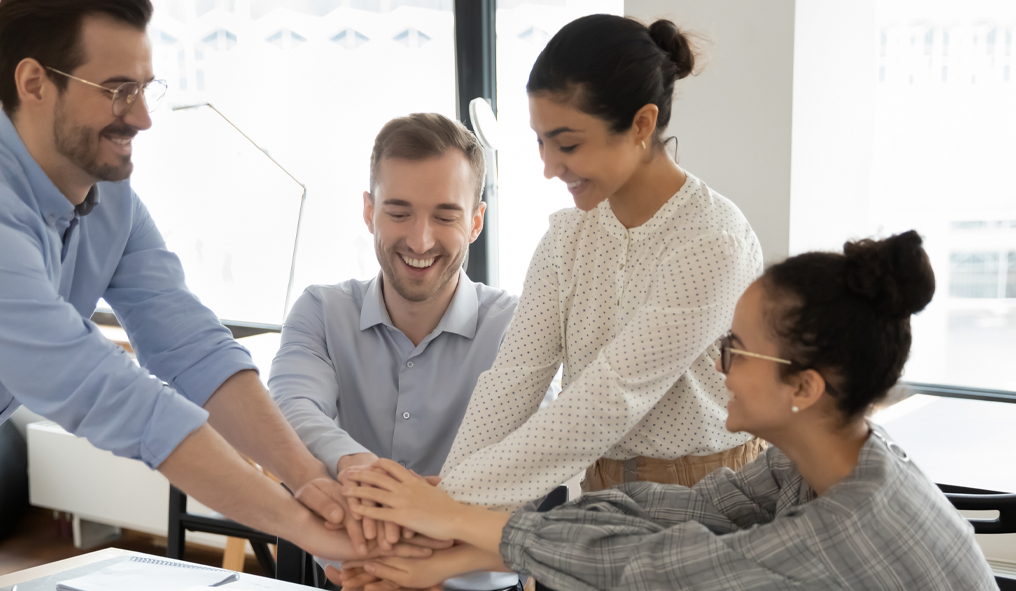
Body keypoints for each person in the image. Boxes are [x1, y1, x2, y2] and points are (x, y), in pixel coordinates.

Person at [0, 0, 371, 589]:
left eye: (145, 88)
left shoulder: (111, 202)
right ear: (34, 82)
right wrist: (307, 529)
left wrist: (312, 482)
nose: (142, 118)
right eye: (116, 89)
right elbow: (107, 392)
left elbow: (192, 349)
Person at [339, 231, 997, 591]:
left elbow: (654, 571)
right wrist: (454, 546)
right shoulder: (832, 461)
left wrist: (454, 520)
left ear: (804, 387)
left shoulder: (848, 525)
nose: (719, 365)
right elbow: (670, 512)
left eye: (737, 350)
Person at [438, 14, 766, 512]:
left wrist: (448, 503)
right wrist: (446, 491)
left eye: (568, 144)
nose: (549, 167)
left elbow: (609, 399)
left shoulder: (711, 242)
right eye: (540, 141)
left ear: (641, 124)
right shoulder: (568, 236)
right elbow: (514, 378)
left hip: (709, 502)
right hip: (600, 496)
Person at [268, 114, 520, 591]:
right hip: (350, 582)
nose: (420, 240)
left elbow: (525, 469)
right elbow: (290, 408)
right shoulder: (321, 311)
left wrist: (413, 553)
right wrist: (362, 467)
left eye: (445, 216)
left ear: (476, 221)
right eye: (399, 212)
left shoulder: (516, 327)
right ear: (369, 212)